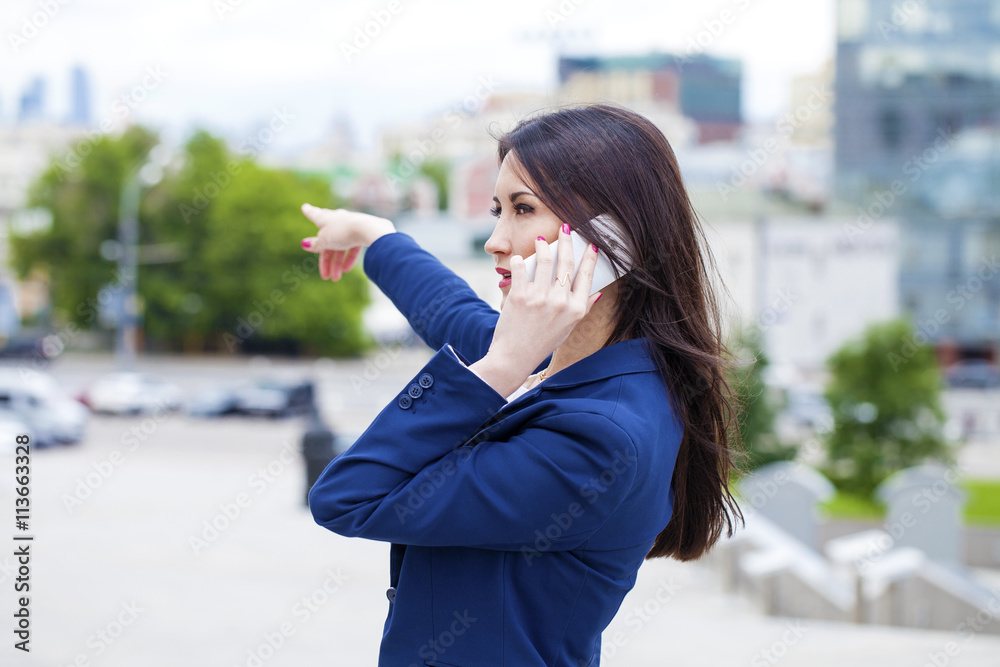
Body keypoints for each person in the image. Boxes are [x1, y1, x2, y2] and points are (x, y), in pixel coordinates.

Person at [300, 103, 745, 667]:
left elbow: (348, 496)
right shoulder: (570, 365)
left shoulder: (601, 438)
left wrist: (503, 366)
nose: (495, 240)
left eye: (523, 209)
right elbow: (452, 311)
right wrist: (377, 236)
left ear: (612, 238)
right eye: (498, 210)